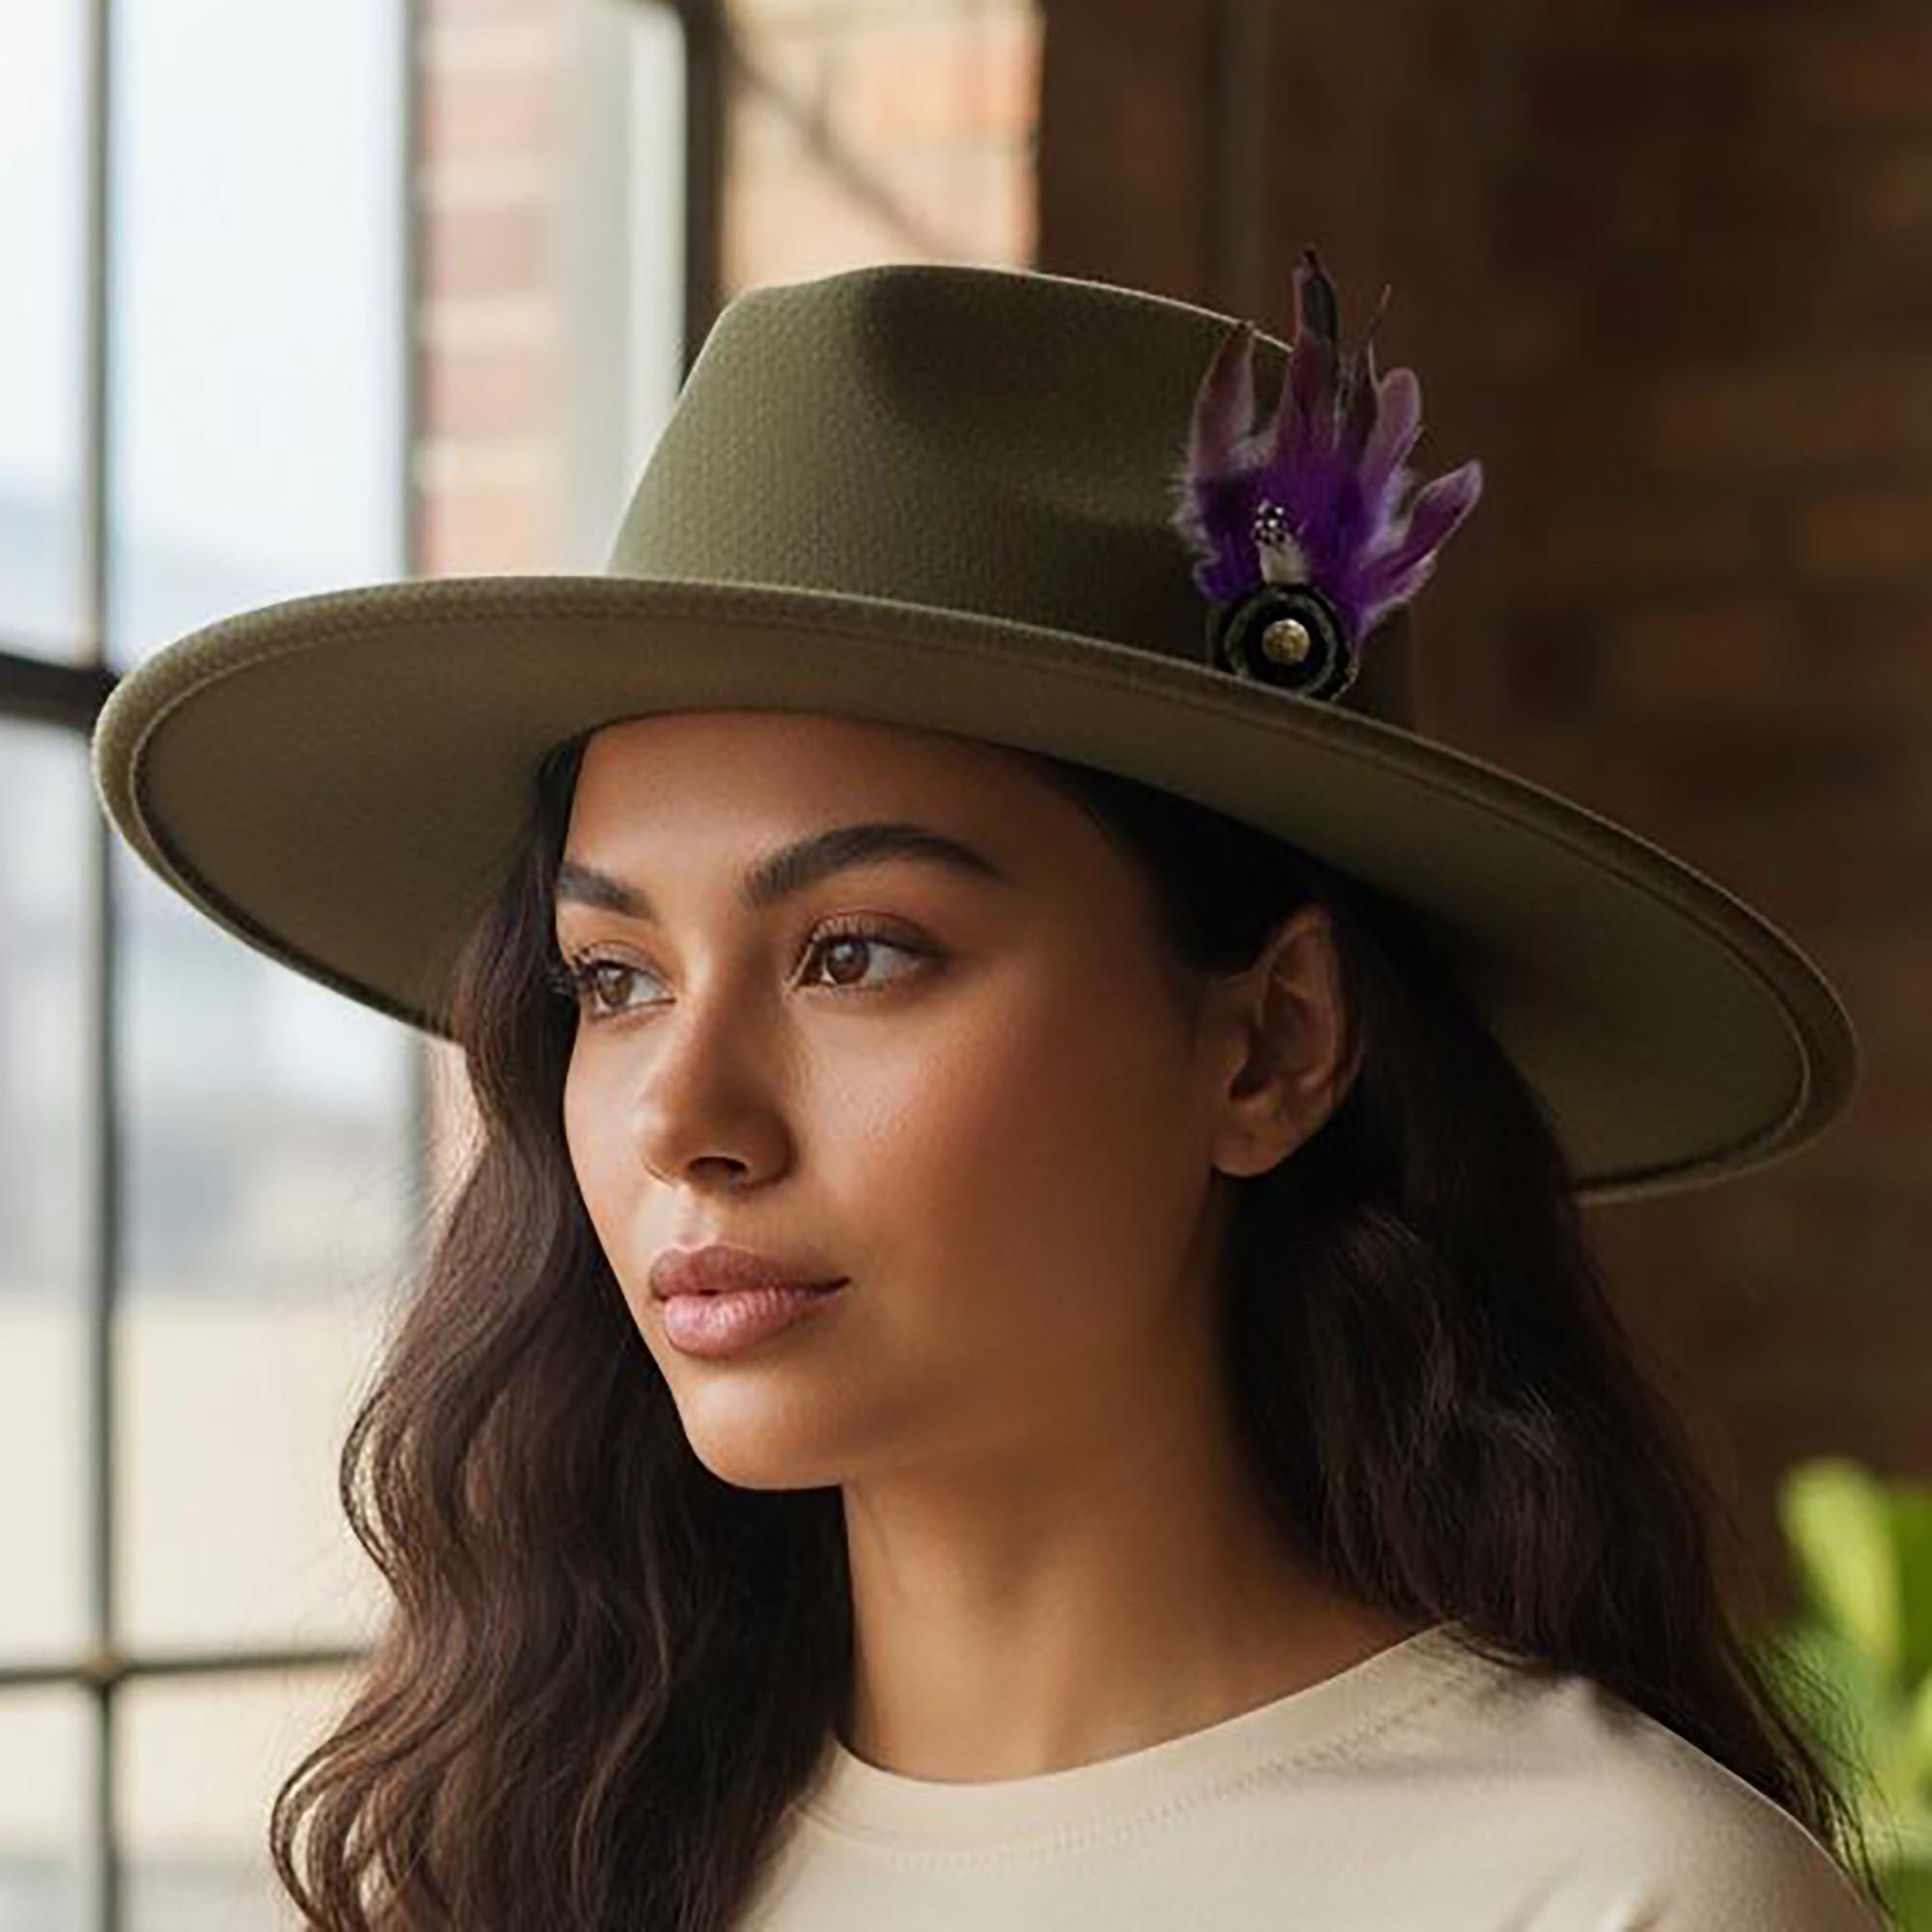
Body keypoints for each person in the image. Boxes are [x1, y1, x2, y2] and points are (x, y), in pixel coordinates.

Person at [92, 253, 1892, 1929]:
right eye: (616, 981)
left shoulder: (1607, 1899)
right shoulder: (544, 1843)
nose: (677, 1117)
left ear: (1268, 1044)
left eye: (856, 952)